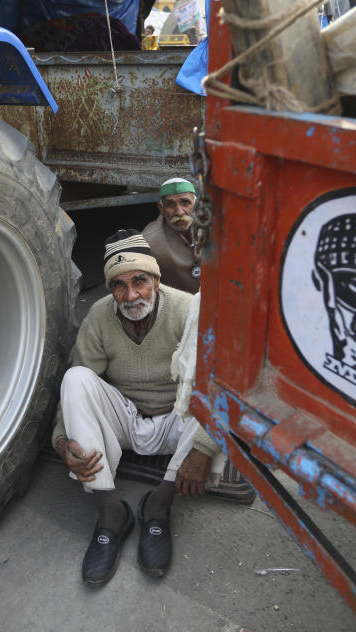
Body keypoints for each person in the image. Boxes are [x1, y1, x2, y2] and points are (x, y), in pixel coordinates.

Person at [51, 229, 226, 586]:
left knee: (211, 391)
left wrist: (205, 447)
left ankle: (158, 505)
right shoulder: (100, 316)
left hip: (177, 421)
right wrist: (61, 441)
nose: (131, 296)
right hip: (127, 421)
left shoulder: (187, 309)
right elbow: (76, 385)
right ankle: (110, 512)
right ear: (109, 289)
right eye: (119, 285)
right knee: (76, 379)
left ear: (157, 280)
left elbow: (221, 382)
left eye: (140, 281)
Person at [142, 177, 201, 293]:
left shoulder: (217, 228)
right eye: (171, 204)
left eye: (185, 203)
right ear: (161, 208)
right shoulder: (148, 241)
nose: (179, 212)